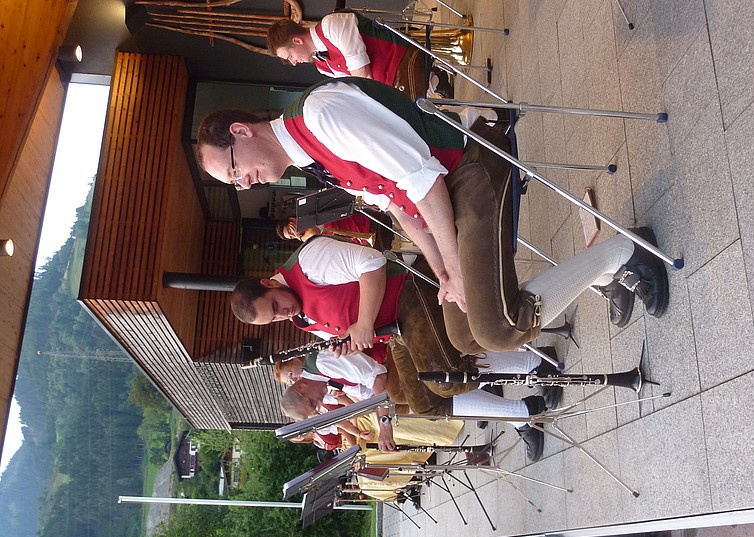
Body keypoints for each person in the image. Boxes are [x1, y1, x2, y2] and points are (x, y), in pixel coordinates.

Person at [197, 78, 669, 354]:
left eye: (234, 170)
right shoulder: (309, 159)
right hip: (442, 193)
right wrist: (442, 270)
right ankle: (603, 271)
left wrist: (456, 266)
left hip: (470, 165)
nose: (244, 184)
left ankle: (624, 252)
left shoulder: (320, 116)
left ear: (241, 131)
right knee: (463, 337)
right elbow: (396, 204)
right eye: (234, 183)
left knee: (498, 328)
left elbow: (421, 180)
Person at [281, 374, 550, 461]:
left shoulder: (323, 366)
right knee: (446, 404)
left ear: (300, 385)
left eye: (313, 404)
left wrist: (384, 424)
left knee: (443, 401)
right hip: (393, 392)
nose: (319, 405)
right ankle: (521, 411)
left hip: (398, 380)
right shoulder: (321, 383)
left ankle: (527, 396)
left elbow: (378, 380)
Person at [267, 12, 428, 99]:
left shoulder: (331, 25)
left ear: (297, 41)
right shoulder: (322, 66)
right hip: (390, 86)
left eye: (290, 56)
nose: (294, 63)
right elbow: (356, 87)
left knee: (412, 120)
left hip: (404, 59)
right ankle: (435, 80)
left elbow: (362, 73)